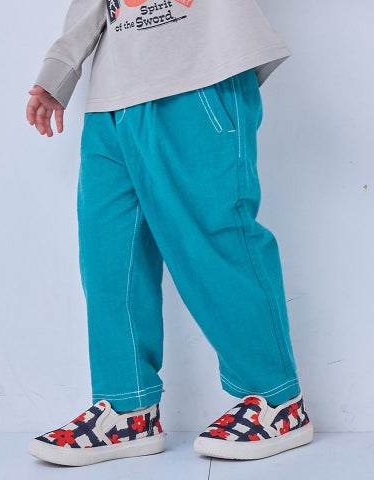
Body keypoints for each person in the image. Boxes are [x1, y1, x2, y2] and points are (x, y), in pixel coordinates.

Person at [26, 0, 313, 467]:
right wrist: (58, 73)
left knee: (214, 242)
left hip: (196, 73)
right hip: (112, 93)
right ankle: (128, 409)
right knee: (108, 256)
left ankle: (278, 401)